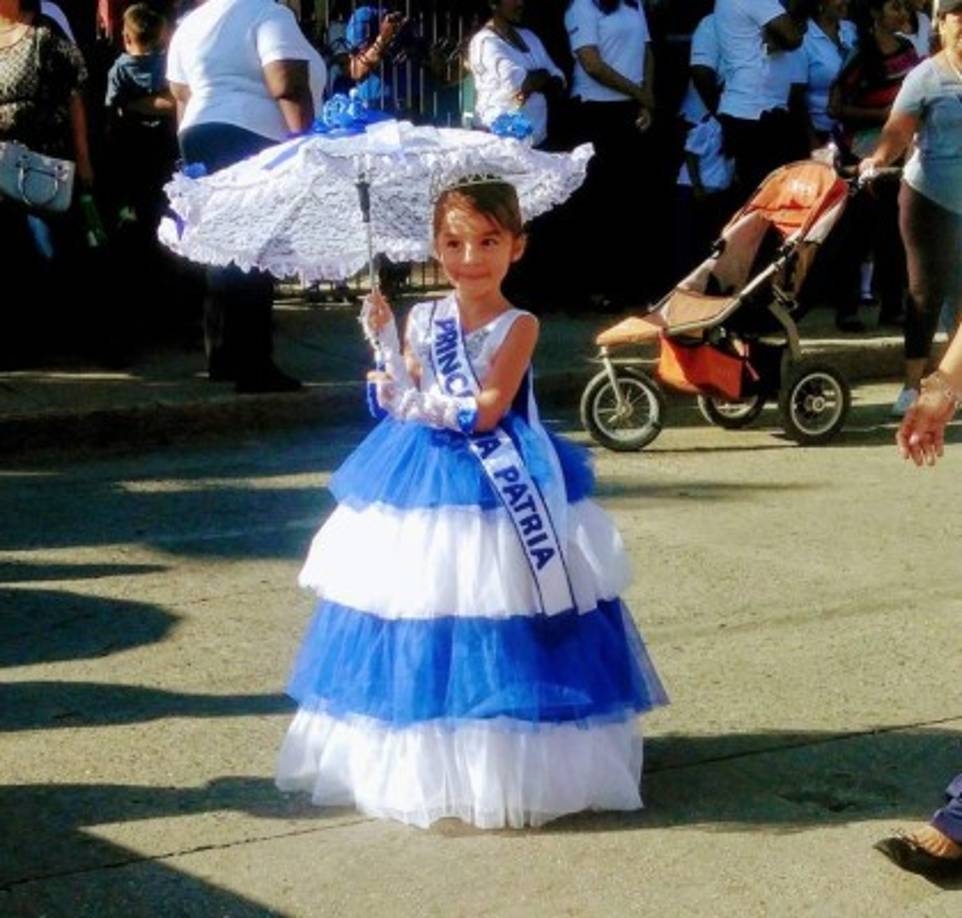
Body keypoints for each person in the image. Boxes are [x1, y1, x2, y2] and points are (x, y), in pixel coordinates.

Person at [275, 177, 668, 829]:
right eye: (454, 242)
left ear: (517, 246)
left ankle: (514, 754)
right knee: (420, 608)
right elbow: (402, 383)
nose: (470, 257)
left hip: (498, 476)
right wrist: (382, 356)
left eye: (488, 241)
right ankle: (429, 758)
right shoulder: (423, 316)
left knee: (502, 609)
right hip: (420, 475)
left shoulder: (522, 324)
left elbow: (487, 411)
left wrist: (413, 400)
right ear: (435, 245)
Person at [166, 0, 325, 392]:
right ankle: (254, 365)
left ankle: (222, 355)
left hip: (199, 132)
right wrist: (303, 146)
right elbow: (286, 83)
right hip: (253, 135)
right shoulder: (267, 14)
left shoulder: (191, 24)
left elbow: (180, 94)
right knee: (257, 248)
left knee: (222, 246)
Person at [858, 0, 962, 416]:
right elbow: (897, 132)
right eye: (958, 19)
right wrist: (878, 159)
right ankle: (911, 386)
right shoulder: (925, 75)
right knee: (925, 292)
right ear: (942, 25)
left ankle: (951, 387)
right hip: (928, 200)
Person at [0, 0, 94, 364]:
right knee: (8, 257)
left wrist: (84, 157)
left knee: (48, 249)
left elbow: (75, 96)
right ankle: (18, 345)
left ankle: (59, 339)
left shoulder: (44, 32)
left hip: (40, 162)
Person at [830, 0, 918, 334]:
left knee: (894, 233)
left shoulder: (909, 52)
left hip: (900, 155)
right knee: (856, 234)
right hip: (862, 156)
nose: (901, 14)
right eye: (894, 7)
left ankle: (892, 306)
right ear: (875, 13)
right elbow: (836, 107)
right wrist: (881, 118)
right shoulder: (859, 55)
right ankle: (847, 309)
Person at [563, 0, 655, 303]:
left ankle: (624, 285)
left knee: (626, 201)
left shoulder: (634, 3)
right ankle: (594, 288)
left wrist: (645, 98)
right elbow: (591, 63)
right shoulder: (581, 7)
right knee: (598, 204)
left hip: (628, 108)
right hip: (595, 112)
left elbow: (646, 50)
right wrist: (638, 93)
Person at [714, 0, 805, 194]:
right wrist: (791, 25)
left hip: (744, 106)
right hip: (759, 111)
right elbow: (793, 37)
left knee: (750, 193)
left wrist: (777, 34)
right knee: (765, 196)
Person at [105, 3, 177, 227]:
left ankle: (136, 219)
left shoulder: (119, 69)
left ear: (126, 37)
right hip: (165, 137)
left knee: (138, 185)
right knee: (165, 183)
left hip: (131, 139)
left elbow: (112, 104)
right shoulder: (167, 63)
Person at [468, 0, 565, 149]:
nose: (520, 3)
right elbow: (519, 83)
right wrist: (544, 77)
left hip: (538, 141)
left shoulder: (529, 37)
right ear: (494, 3)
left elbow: (559, 78)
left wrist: (538, 80)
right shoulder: (486, 42)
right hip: (500, 142)